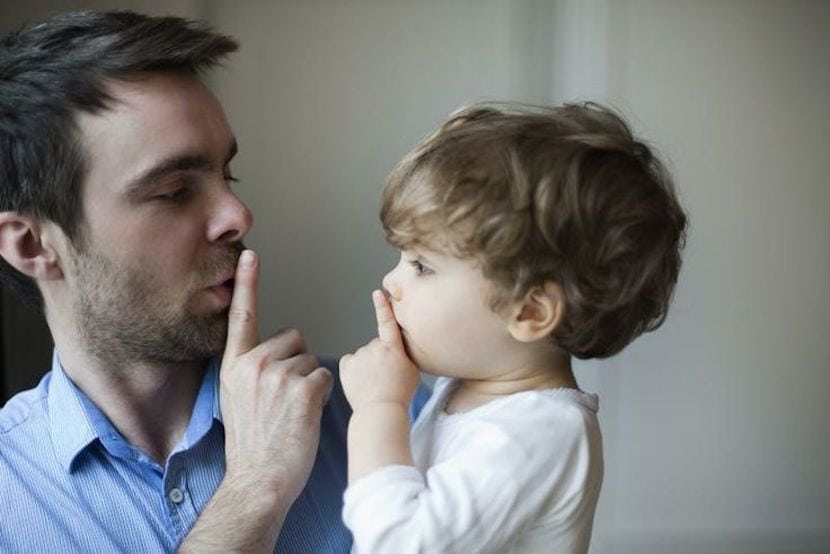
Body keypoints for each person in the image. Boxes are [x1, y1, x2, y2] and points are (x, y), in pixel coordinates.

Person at [0, 10, 353, 552]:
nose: (237, 214)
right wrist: (254, 490)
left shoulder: (379, 410)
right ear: (31, 245)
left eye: (226, 175)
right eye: (174, 191)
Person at [339, 102, 688, 553]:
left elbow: (400, 544)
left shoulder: (539, 434)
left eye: (422, 266)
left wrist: (377, 408)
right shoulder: (471, 391)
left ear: (529, 312)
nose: (392, 282)